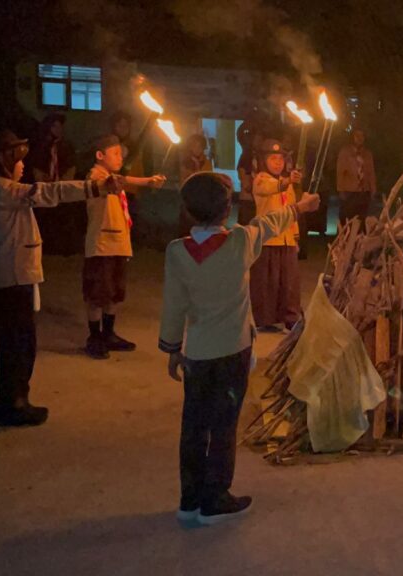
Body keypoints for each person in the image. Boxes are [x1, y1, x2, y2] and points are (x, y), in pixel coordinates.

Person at [159, 171, 320, 525]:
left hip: (197, 353)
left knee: (194, 425)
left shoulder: (176, 252)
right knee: (224, 425)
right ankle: (215, 499)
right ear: (228, 208)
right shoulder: (239, 242)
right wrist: (301, 207)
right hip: (233, 351)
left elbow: (174, 305)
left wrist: (172, 348)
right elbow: (270, 222)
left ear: (187, 210)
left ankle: (189, 500)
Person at [0, 130, 117, 426]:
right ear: (2, 160)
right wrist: (95, 187)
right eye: (18, 158)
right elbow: (53, 192)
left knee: (17, 342)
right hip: (11, 277)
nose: (23, 164)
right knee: (17, 344)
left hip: (12, 274)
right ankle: (12, 404)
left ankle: (14, 400)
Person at [82, 134, 167, 360]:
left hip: (118, 244)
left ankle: (108, 333)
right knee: (97, 294)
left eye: (121, 153)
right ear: (100, 156)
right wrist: (136, 180)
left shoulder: (113, 177)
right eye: (115, 153)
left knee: (114, 293)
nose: (120, 157)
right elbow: (108, 184)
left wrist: (149, 180)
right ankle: (94, 337)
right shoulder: (95, 176)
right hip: (101, 245)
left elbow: (125, 179)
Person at [249, 139, 303, 331]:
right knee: (267, 283)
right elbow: (271, 188)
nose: (278, 162)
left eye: (281, 159)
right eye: (273, 158)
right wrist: (288, 180)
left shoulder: (286, 185)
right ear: (264, 161)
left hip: (286, 239)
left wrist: (295, 238)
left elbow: (293, 211)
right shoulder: (260, 180)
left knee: (289, 282)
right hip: (267, 239)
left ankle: (291, 317)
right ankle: (265, 319)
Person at [26, 113, 81, 255]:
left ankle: (64, 247)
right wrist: (44, 181)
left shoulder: (66, 145)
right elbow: (36, 166)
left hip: (62, 187)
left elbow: (72, 166)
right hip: (45, 188)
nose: (59, 129)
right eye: (55, 126)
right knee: (46, 217)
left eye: (60, 126)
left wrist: (63, 182)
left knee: (64, 217)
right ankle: (48, 247)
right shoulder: (41, 146)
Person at [335, 128, 377, 226]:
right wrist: (340, 189)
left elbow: (371, 172)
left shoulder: (367, 154)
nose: (359, 138)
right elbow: (340, 172)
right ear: (353, 137)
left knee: (362, 217)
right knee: (347, 217)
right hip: (349, 190)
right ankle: (345, 238)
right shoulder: (345, 152)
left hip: (364, 191)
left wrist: (373, 188)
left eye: (362, 136)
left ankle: (360, 238)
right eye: (357, 136)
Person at [177, 134, 213, 236]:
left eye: (199, 146)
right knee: (186, 230)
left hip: (202, 202)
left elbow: (206, 180)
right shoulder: (186, 162)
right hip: (188, 201)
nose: (196, 149)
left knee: (199, 230)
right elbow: (187, 181)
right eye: (194, 146)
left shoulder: (206, 162)